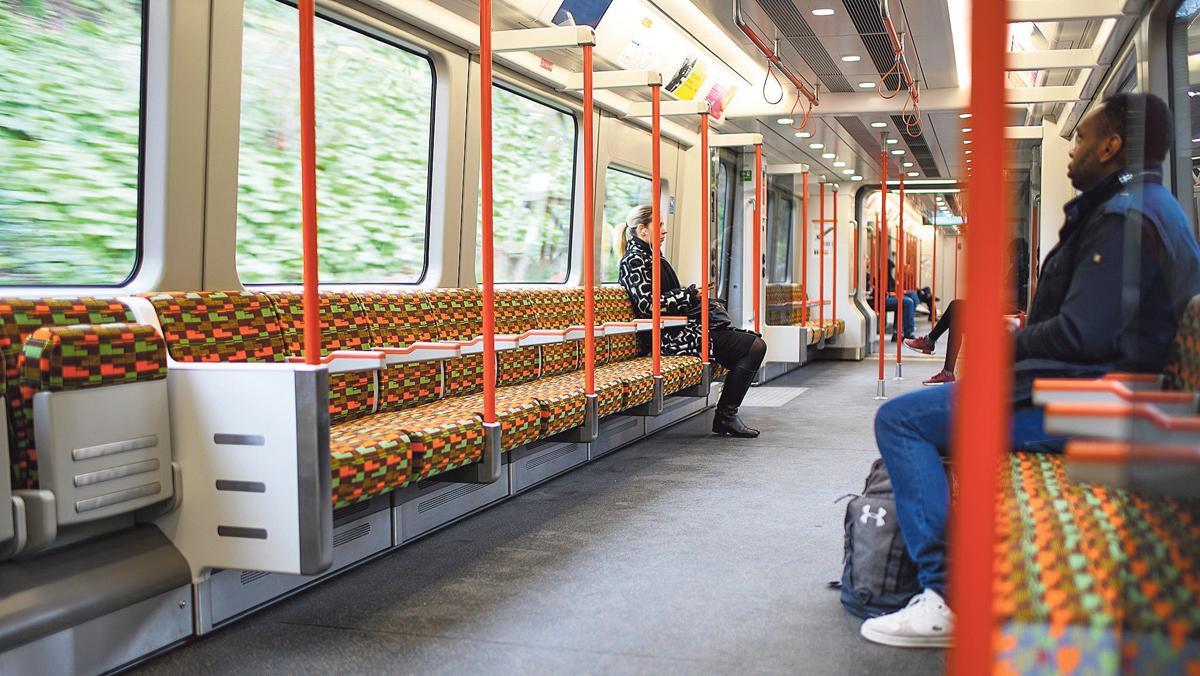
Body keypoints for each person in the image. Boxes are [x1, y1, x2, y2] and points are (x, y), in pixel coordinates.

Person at [861, 93, 1200, 648]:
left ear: (1112, 146)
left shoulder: (1122, 221)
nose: (1073, 151)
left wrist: (1009, 344)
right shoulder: (1154, 208)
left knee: (900, 419)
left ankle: (946, 596)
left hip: (1094, 405)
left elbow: (1081, 336)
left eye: (1083, 138)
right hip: (1117, 393)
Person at [618, 205, 767, 438]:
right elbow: (648, 305)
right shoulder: (634, 261)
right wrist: (688, 295)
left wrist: (691, 295)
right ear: (642, 230)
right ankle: (726, 416)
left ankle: (727, 414)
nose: (665, 230)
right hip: (665, 337)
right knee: (753, 347)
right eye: (659, 225)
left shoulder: (653, 256)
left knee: (751, 343)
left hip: (678, 329)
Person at [904, 240, 1029, 385]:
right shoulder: (1019, 270)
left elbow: (1012, 302)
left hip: (1004, 315)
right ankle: (944, 367)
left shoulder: (1019, 273)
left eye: (1010, 254)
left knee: (956, 309)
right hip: (1001, 311)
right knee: (956, 316)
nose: (1008, 257)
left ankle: (931, 345)